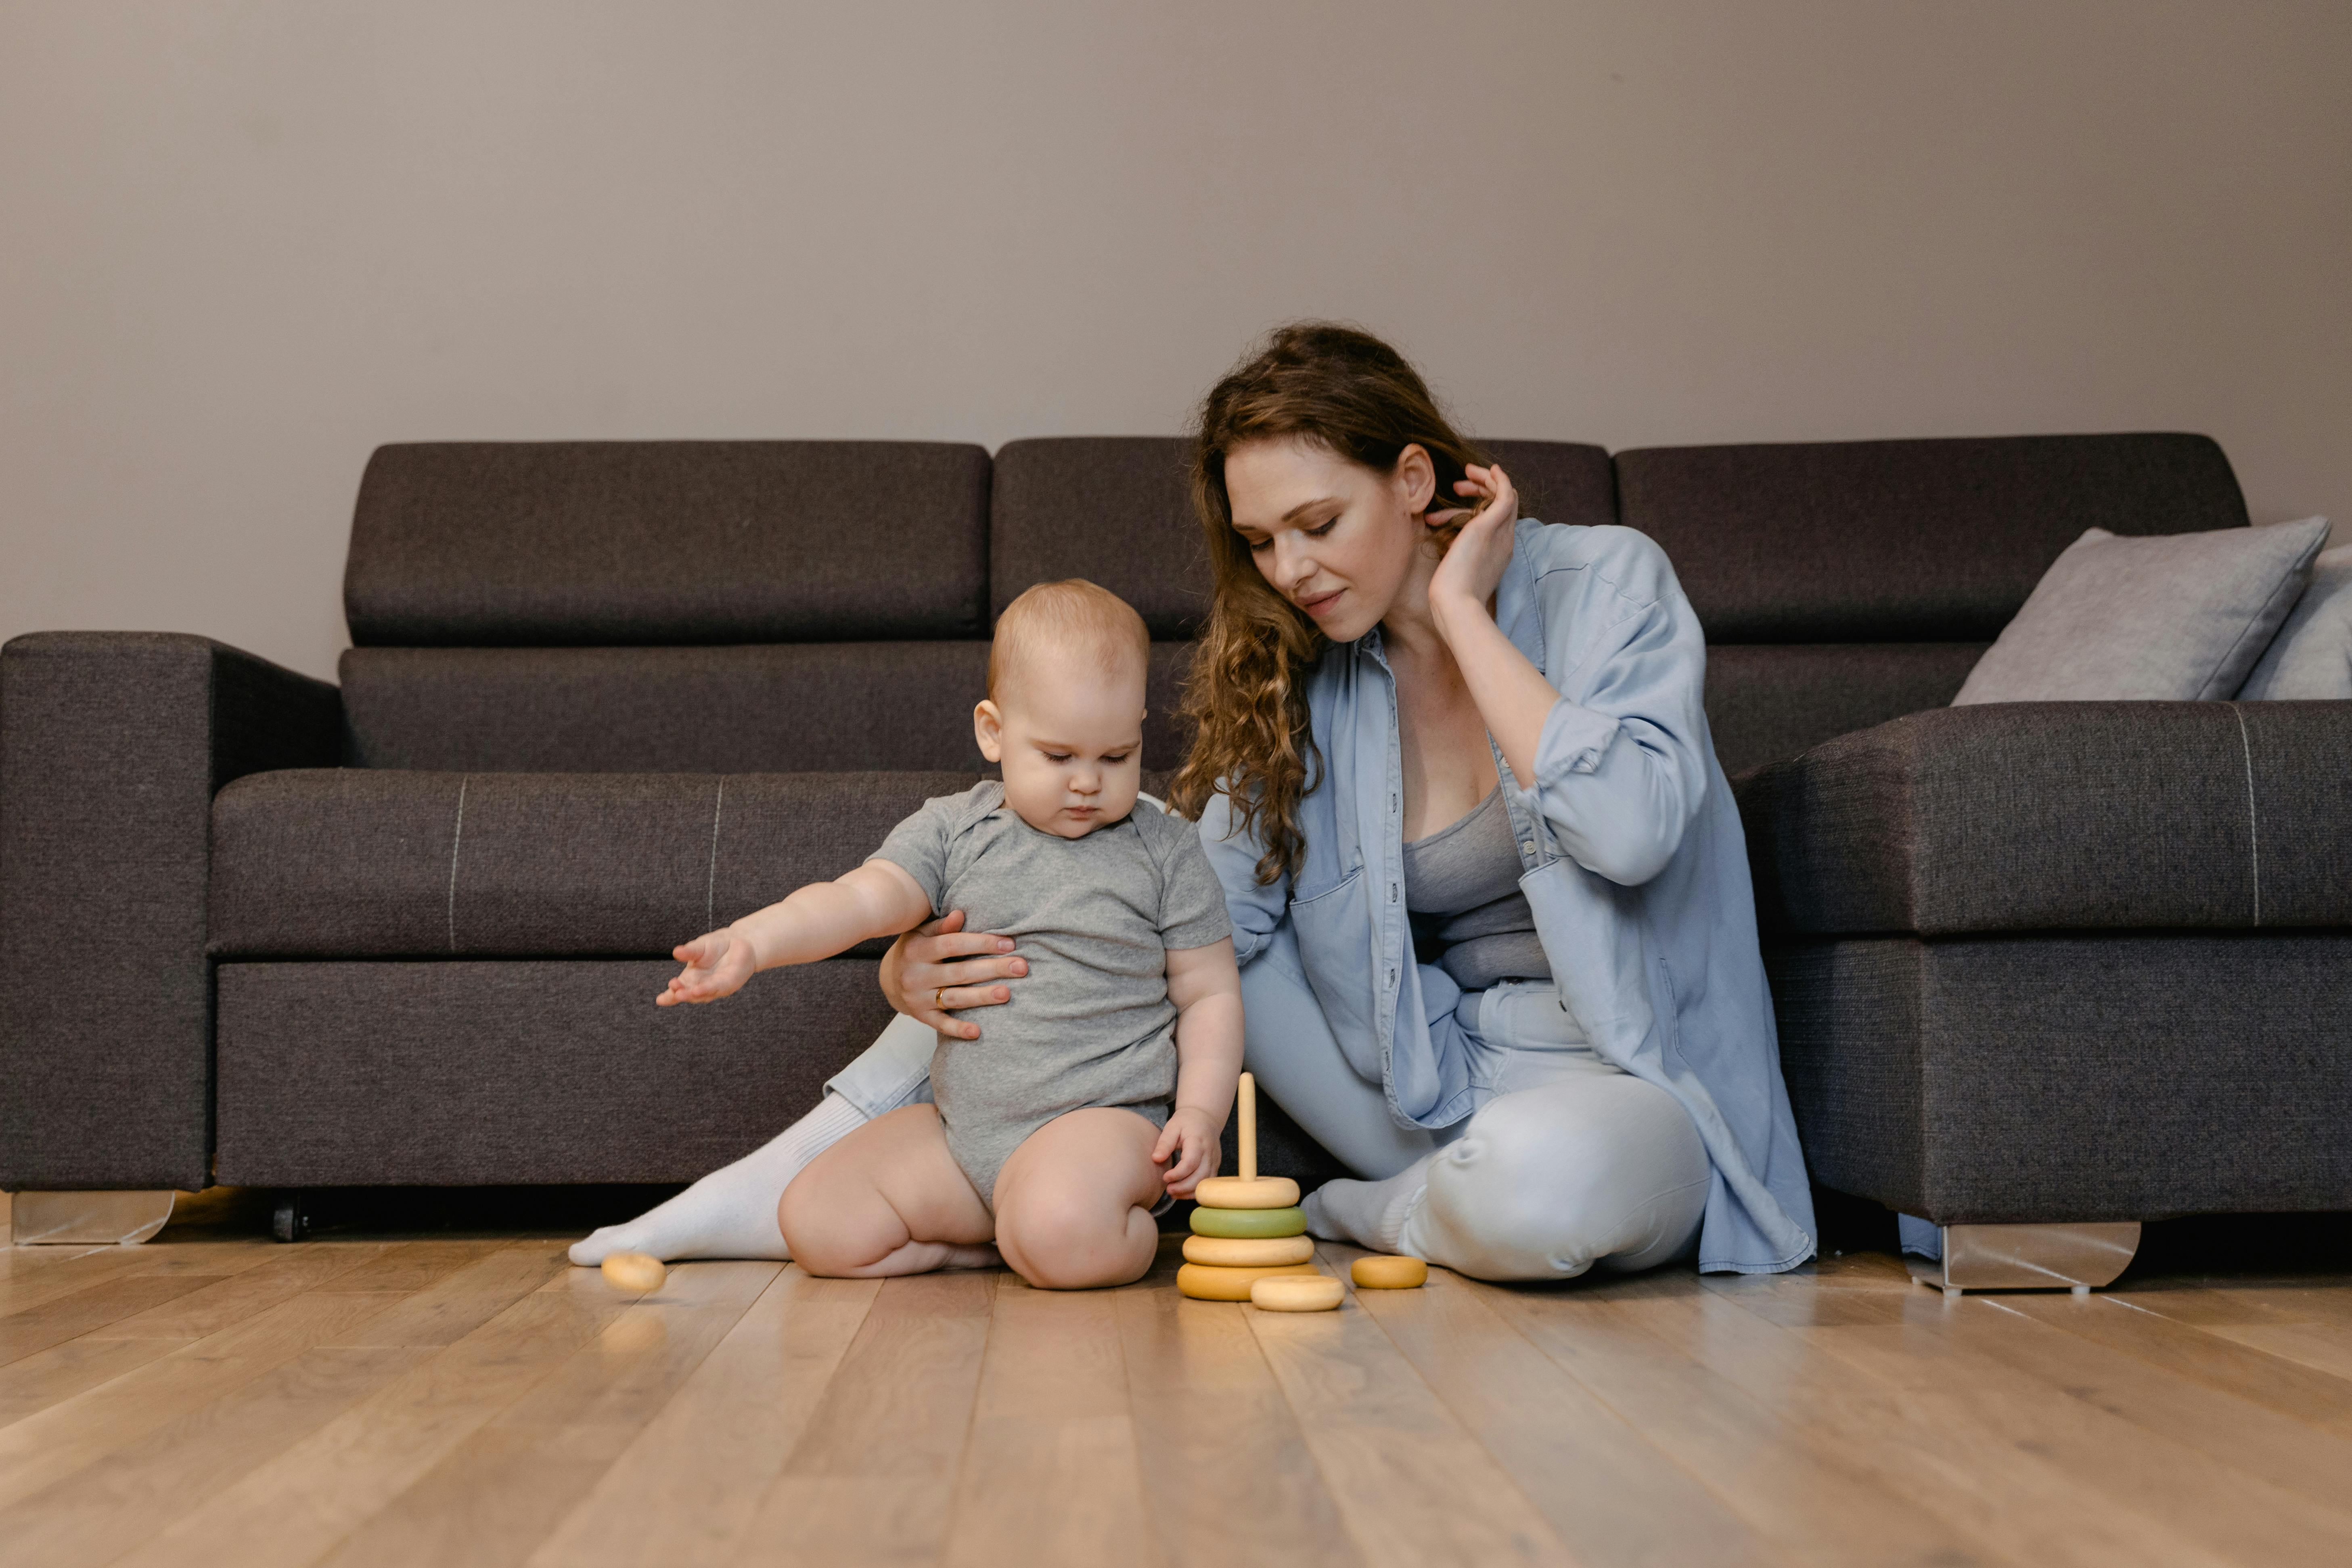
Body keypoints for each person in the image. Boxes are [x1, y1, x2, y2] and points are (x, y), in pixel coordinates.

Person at [573, 322, 1814, 1280]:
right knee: (1141, 889)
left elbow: (1636, 829)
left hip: (1623, 1085)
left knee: (1540, 1194)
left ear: (1415, 476)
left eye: (1318, 523)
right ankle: (791, 1166)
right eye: (1262, 540)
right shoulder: (1309, 671)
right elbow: (1171, 908)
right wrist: (908, 964)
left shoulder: (1608, 586)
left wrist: (1463, 616)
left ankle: (1352, 1212)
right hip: (1423, 1087)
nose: (1291, 570)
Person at [634, 579, 1242, 1289]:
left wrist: (1201, 1111)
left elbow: (1209, 995)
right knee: (816, 1216)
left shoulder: (1164, 849)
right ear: (994, 731)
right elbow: (857, 899)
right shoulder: (955, 830)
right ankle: (994, 1245)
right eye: (1057, 756)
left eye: (1116, 757)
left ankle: (1061, 1233)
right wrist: (753, 942)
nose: (1087, 782)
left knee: (1060, 1224)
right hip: (965, 1135)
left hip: (1101, 1128)